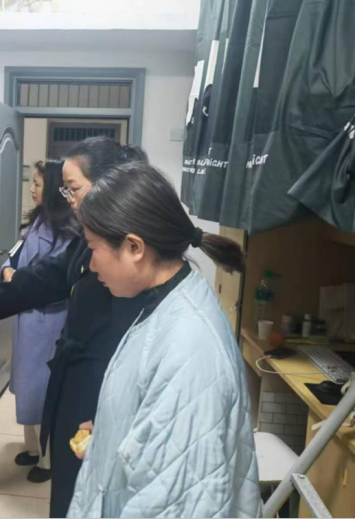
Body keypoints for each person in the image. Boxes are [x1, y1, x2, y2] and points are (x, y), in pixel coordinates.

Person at [0, 137, 150, 518]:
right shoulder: (91, 239)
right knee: (69, 489)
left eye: (72, 188)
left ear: (108, 186)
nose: (67, 199)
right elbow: (47, 276)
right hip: (77, 384)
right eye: (64, 190)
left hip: (100, 394)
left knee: (89, 493)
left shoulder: (131, 255)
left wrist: (110, 416)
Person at [67, 163, 260, 518]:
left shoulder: (189, 347)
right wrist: (114, 428)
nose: (91, 266)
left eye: (93, 248)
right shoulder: (168, 299)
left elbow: (181, 503)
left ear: (134, 247)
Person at [2, 160, 79, 484]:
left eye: (37, 183)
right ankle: (33, 449)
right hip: (28, 316)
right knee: (26, 387)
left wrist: (17, 277)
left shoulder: (68, 231)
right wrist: (8, 269)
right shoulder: (37, 221)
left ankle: (47, 461)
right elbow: (15, 256)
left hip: (48, 319)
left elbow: (51, 278)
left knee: (40, 392)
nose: (32, 189)